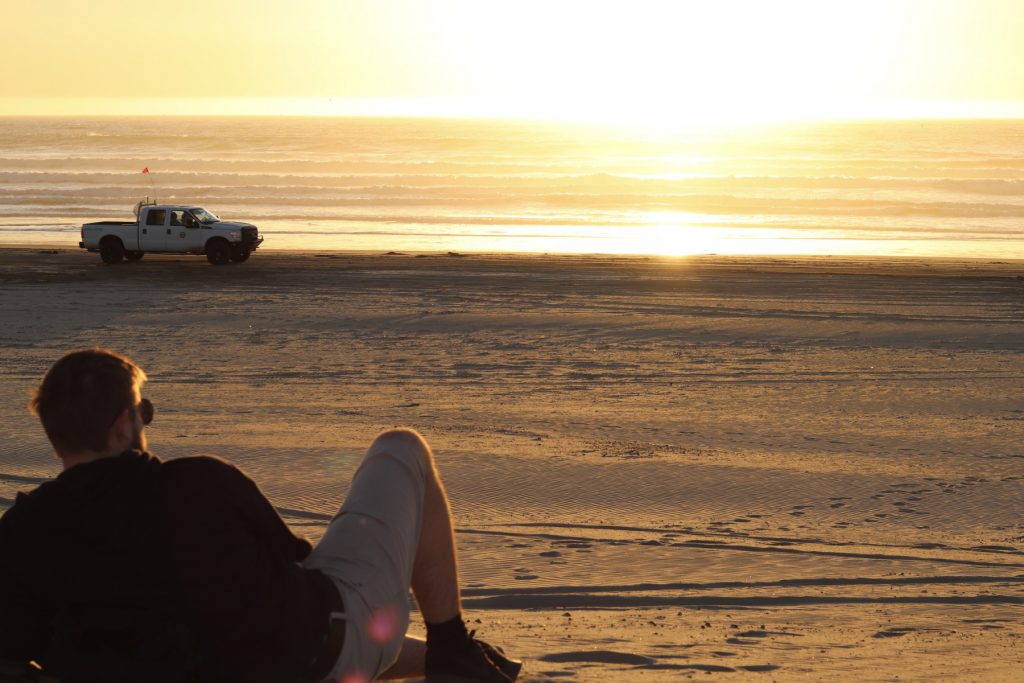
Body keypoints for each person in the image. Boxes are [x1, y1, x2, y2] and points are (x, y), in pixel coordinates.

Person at [0, 348, 520, 683]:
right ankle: (452, 645)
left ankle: (451, 660)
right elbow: (294, 566)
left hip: (212, 661)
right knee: (402, 448)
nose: (144, 423)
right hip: (314, 655)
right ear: (121, 425)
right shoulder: (196, 480)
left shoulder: (21, 533)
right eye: (143, 411)